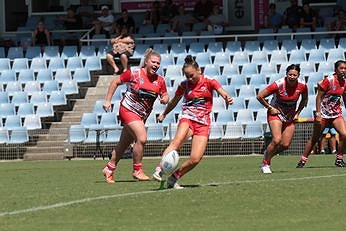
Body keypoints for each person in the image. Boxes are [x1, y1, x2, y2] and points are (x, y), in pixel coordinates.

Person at [152, 55, 233, 189]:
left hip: (203, 124)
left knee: (195, 158)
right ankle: (160, 169)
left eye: (191, 75)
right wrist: (164, 113)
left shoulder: (209, 81)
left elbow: (221, 91)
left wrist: (226, 97)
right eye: (186, 76)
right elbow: (174, 101)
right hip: (188, 118)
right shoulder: (184, 85)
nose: (189, 79)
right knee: (176, 143)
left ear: (199, 70)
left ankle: (174, 178)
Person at [102, 48, 169, 183]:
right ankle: (137, 170)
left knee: (123, 144)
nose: (156, 65)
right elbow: (115, 82)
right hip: (127, 109)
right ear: (146, 61)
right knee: (142, 138)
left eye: (158, 63)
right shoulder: (134, 73)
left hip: (141, 116)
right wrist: (108, 100)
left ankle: (109, 168)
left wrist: (165, 99)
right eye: (153, 62)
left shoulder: (160, 80)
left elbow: (165, 94)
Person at [257, 64, 308, 174]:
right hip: (276, 114)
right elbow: (260, 96)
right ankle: (266, 163)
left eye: (295, 75)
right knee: (276, 140)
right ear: (286, 74)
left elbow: (304, 99)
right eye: (290, 74)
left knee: (285, 145)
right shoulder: (278, 84)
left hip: (289, 117)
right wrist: (270, 107)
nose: (292, 77)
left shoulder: (302, 86)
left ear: (298, 75)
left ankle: (268, 154)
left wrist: (297, 113)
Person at [297, 60, 346, 168]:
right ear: (336, 69)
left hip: (336, 114)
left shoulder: (345, 82)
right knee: (315, 138)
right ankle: (303, 160)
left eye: (345, 69)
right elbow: (318, 97)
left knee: (344, 134)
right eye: (341, 68)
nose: (343, 71)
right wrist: (318, 113)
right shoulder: (328, 81)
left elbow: (344, 97)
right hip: (323, 114)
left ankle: (339, 159)